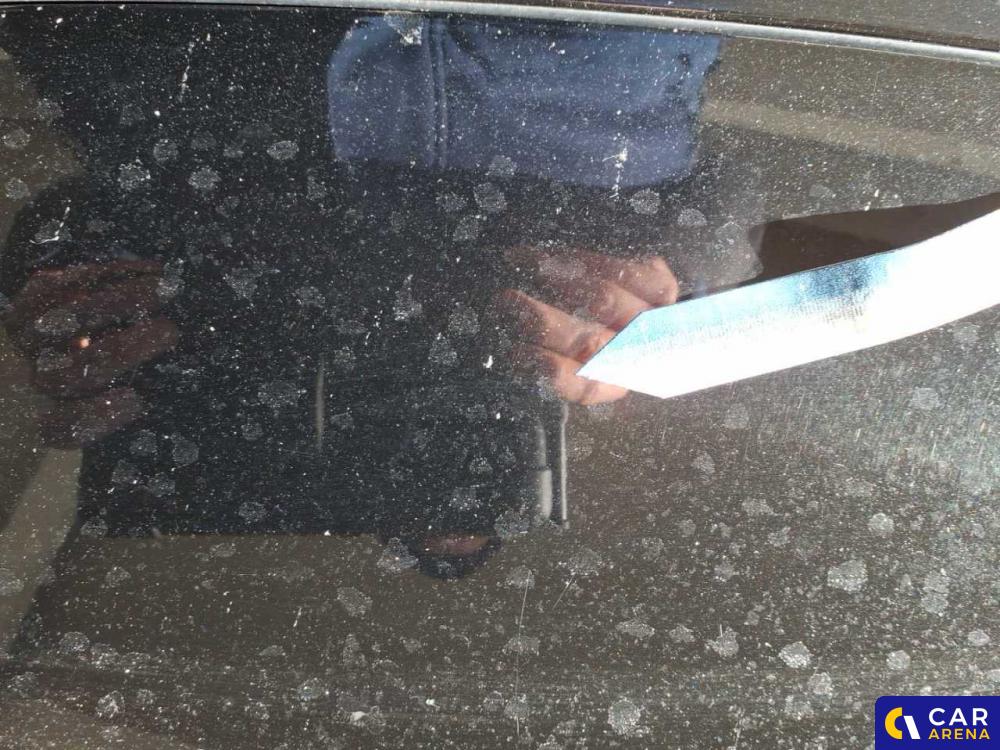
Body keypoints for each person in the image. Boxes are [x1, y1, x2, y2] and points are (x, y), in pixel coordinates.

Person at [0, 8, 716, 576]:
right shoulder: (609, 320)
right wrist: (680, 293)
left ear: (353, 487)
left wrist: (61, 284)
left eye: (414, 488)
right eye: (475, 482)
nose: (434, 446)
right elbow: (722, 187)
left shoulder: (253, 371)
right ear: (532, 453)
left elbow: (102, 203)